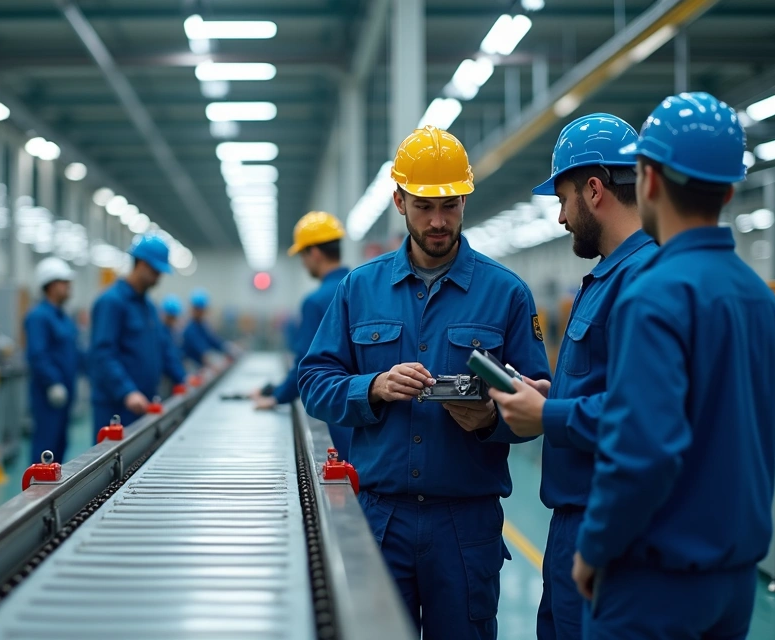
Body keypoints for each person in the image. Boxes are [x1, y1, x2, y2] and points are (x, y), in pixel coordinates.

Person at [298, 125, 551, 640]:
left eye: (451, 206)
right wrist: (371, 387)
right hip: (380, 518)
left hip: (465, 525)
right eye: (423, 207)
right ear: (398, 200)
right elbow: (314, 381)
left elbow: (540, 405)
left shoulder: (507, 294)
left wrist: (489, 420)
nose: (438, 221)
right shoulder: (358, 290)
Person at [570, 93, 775, 639]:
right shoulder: (763, 301)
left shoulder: (656, 295)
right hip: (734, 585)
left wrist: (594, 547)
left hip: (653, 586)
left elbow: (642, 451)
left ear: (647, 180)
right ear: (730, 189)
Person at [485, 113, 657, 640]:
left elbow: (642, 415)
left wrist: (548, 413)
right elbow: (604, 384)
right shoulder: (604, 277)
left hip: (609, 525)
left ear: (595, 189)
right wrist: (550, 393)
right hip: (572, 522)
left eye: (563, 200)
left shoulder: (643, 281)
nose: (560, 218)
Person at [252, 211, 352, 455]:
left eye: (302, 256)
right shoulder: (362, 287)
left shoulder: (316, 301)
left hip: (340, 415)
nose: (303, 263)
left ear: (314, 253)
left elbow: (305, 364)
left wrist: (276, 397)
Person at [87, 235, 187, 436]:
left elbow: (163, 348)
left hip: (145, 401)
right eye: (155, 271)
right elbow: (103, 353)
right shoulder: (111, 302)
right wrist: (127, 391)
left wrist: (184, 380)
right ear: (141, 264)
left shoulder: (148, 307)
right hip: (117, 405)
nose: (159, 277)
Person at [24, 257, 81, 463]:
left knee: (60, 447)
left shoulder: (63, 317)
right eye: (64, 283)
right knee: (45, 449)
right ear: (51, 285)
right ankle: (36, 494)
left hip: (65, 395)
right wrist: (53, 382)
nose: (69, 287)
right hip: (48, 395)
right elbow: (37, 354)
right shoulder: (38, 317)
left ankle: (54, 495)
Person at [181, 289, 230, 367]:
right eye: (197, 309)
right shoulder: (189, 330)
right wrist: (213, 360)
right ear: (192, 309)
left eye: (202, 309)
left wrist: (228, 347)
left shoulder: (203, 326)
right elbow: (201, 351)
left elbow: (214, 340)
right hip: (193, 367)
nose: (200, 312)